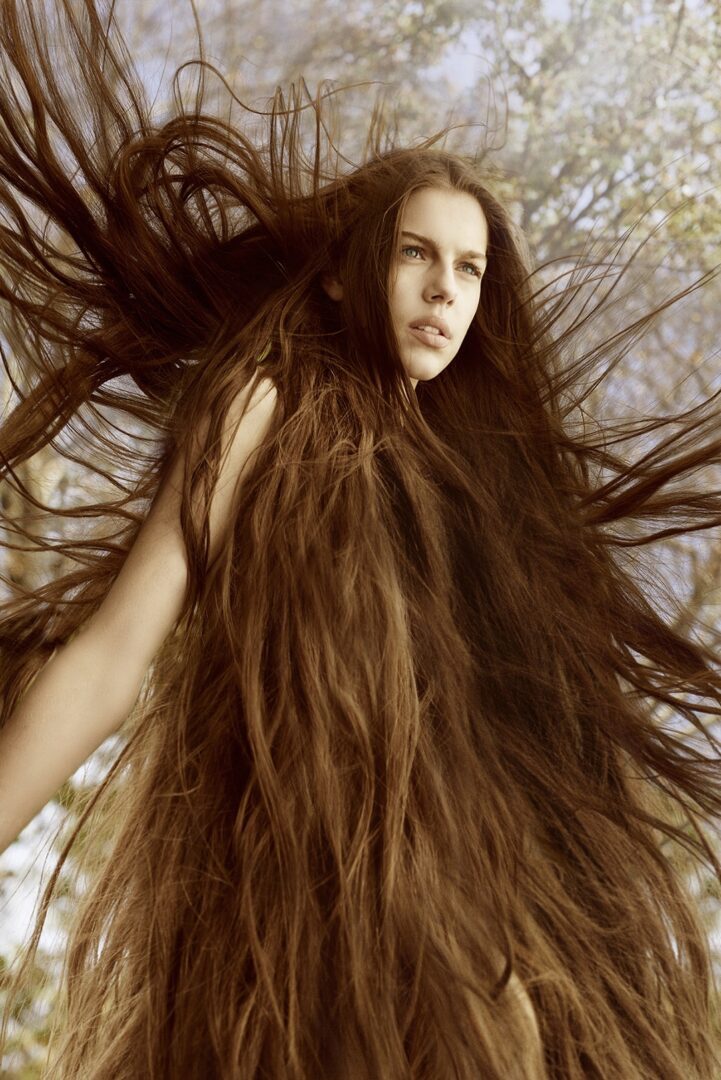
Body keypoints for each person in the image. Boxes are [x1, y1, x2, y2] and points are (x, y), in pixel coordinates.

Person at [0, 2, 720, 1077]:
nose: (443, 290)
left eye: (470, 270)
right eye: (415, 254)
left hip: (475, 896)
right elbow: (114, 653)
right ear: (341, 271)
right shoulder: (263, 403)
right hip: (305, 886)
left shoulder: (472, 481)